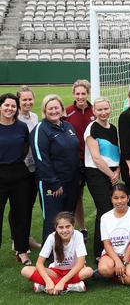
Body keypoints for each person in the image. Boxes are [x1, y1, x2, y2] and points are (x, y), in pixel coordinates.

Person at [31, 94, 80, 242]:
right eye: (50, 108)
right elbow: (41, 159)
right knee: (53, 221)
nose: (54, 111)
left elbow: (74, 151)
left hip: (71, 182)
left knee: (67, 220)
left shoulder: (68, 126)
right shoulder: (41, 129)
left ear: (62, 109)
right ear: (44, 110)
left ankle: (67, 254)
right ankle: (51, 257)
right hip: (52, 185)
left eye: (56, 107)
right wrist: (54, 183)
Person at [84, 97, 120, 261]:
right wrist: (111, 174)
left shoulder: (112, 128)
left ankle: (112, 247)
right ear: (94, 111)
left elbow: (116, 153)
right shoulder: (91, 129)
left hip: (112, 173)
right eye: (100, 110)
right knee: (104, 210)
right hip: (97, 173)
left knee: (112, 209)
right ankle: (99, 253)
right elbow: (96, 158)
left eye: (106, 109)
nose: (103, 112)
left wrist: (117, 170)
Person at [21, 212, 92, 294]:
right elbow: (39, 264)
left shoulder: (78, 235)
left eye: (68, 226)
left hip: (74, 271)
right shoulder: (52, 237)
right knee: (25, 270)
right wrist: (48, 281)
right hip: (56, 271)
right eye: (61, 227)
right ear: (56, 228)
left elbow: (80, 263)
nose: (64, 230)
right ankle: (71, 286)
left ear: (73, 226)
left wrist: (62, 282)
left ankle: (43, 286)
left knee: (88, 271)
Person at [0, 93, 32, 265]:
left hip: (19, 175)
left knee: (21, 214)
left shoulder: (21, 127)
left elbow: (25, 147)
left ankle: (22, 251)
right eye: (6, 105)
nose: (9, 109)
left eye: (13, 106)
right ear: (0, 106)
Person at [65, 79, 94, 242]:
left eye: (83, 93)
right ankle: (81, 228)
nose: (81, 96)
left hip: (93, 161)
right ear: (73, 94)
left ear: (87, 94)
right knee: (77, 196)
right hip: (75, 161)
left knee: (100, 194)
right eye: (78, 93)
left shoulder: (94, 111)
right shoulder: (66, 112)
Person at [97, 184, 130, 286]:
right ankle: (118, 272)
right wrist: (118, 261)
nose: (119, 201)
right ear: (111, 199)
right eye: (116, 198)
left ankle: (117, 275)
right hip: (111, 255)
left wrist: (124, 262)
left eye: (123, 197)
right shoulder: (105, 217)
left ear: (128, 198)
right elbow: (107, 244)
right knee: (104, 270)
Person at [16, 86, 42, 252]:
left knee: (29, 205)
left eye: (30, 99)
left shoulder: (34, 116)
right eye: (24, 99)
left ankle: (26, 237)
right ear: (19, 101)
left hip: (34, 167)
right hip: (19, 168)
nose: (27, 102)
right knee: (19, 206)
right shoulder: (14, 118)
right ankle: (17, 239)